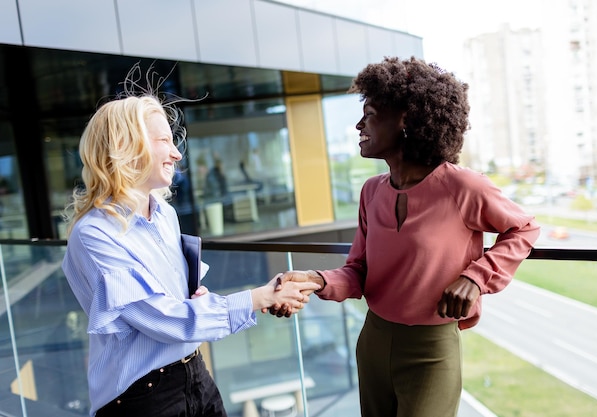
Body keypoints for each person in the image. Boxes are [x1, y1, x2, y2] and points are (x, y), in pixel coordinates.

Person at [271, 56, 541, 417]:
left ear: (406, 118)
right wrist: (314, 279)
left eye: (369, 114)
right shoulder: (371, 191)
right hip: (374, 341)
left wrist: (475, 278)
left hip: (431, 351)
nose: (358, 125)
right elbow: (359, 272)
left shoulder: (462, 186)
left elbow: (523, 228)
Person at [61, 91, 320, 417]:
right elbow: (163, 318)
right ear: (127, 147)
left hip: (195, 373)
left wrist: (199, 299)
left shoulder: (165, 214)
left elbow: (178, 305)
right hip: (141, 397)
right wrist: (258, 298)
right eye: (164, 141)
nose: (176, 154)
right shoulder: (94, 234)